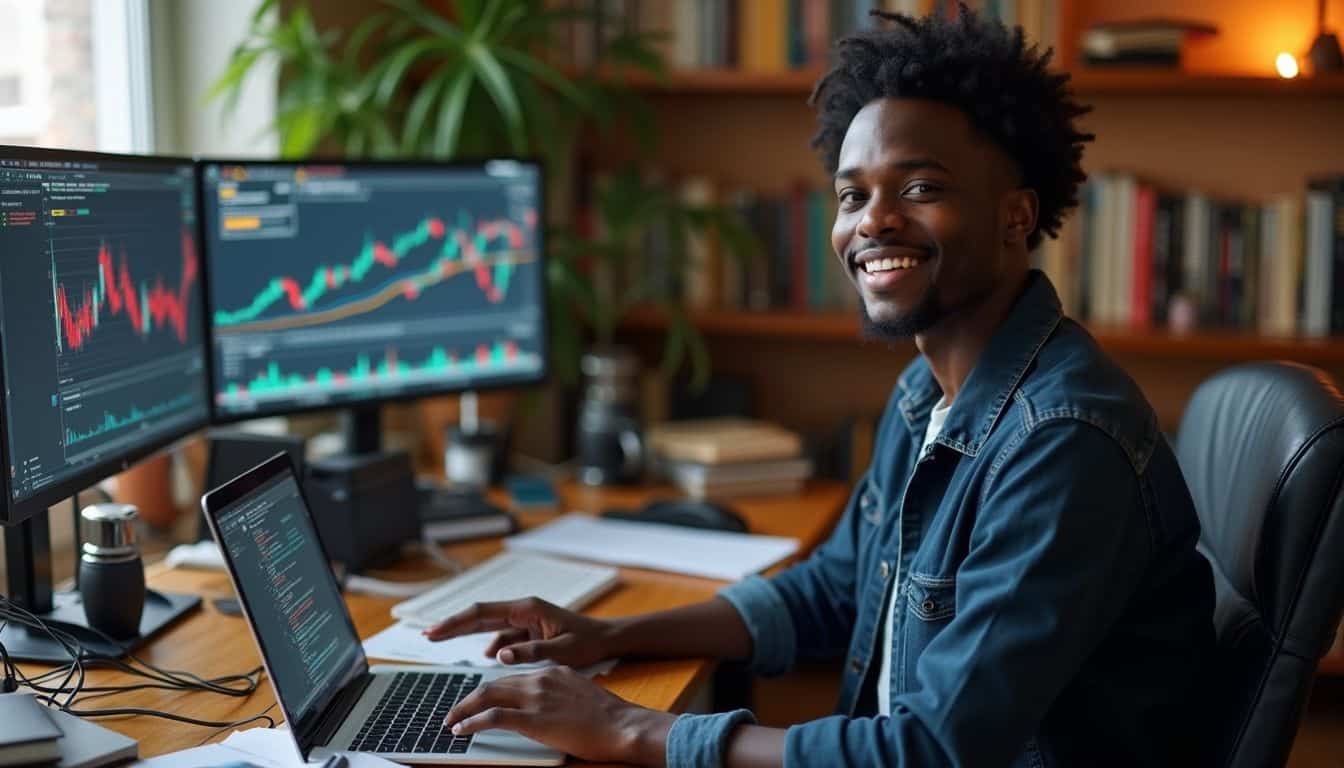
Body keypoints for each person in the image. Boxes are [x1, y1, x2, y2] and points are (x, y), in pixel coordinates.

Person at [432, 7, 1215, 767]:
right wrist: (612, 638)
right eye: (852, 196)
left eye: (918, 188)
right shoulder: (928, 395)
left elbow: (932, 751)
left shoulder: (1059, 443)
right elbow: (837, 591)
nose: (872, 222)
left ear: (1016, 218)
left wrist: (633, 730)